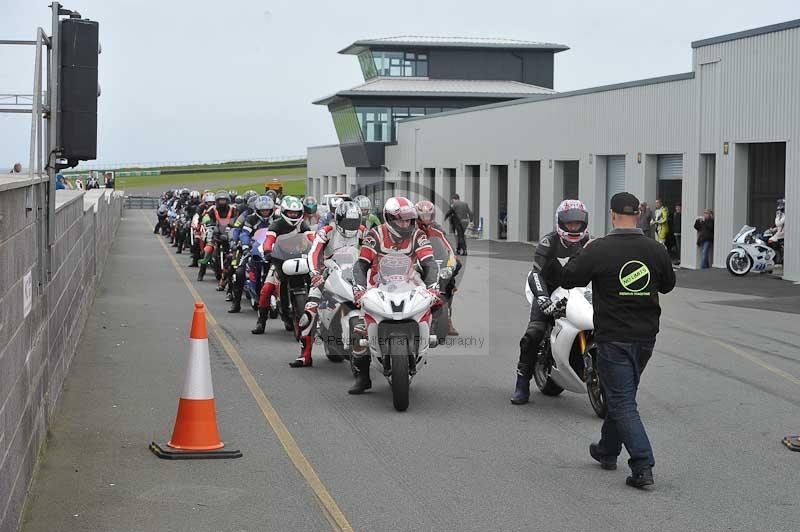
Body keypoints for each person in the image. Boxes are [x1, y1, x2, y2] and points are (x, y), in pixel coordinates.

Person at [561, 192, 675, 489]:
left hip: (614, 337)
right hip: (646, 337)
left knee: (622, 401)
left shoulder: (599, 249)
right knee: (620, 396)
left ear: (612, 215)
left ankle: (642, 464)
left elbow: (570, 278)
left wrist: (581, 251)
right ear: (638, 214)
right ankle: (607, 450)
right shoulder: (655, 249)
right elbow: (668, 285)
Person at [348, 196, 439, 394]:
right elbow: (361, 264)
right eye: (401, 219)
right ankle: (362, 377)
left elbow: (430, 263)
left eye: (409, 219)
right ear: (388, 218)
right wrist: (359, 289)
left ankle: (426, 337)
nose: (406, 224)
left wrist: (433, 286)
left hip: (410, 284)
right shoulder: (375, 235)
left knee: (434, 304)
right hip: (378, 286)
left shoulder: (418, 235)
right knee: (357, 327)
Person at [510, 199, 591, 405]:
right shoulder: (548, 242)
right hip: (548, 288)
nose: (574, 227)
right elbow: (535, 274)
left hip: (579, 290)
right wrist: (543, 298)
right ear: (560, 222)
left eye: (578, 223)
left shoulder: (590, 242)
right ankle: (522, 383)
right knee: (534, 333)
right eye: (570, 223)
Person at [292, 201, 364, 367]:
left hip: (356, 276)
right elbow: (313, 253)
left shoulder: (363, 232)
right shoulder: (326, 231)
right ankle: (305, 355)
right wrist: (315, 273)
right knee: (308, 313)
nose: (351, 225)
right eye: (347, 222)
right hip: (327, 275)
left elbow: (373, 252)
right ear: (338, 219)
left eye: (354, 222)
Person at [251, 196, 311, 334]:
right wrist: (267, 250)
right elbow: (269, 239)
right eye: (290, 213)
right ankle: (261, 322)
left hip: (301, 260)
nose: (293, 215)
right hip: (280, 261)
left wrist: (318, 252)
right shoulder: (276, 225)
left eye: (296, 213)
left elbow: (311, 239)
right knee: (266, 289)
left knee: (317, 284)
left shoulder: (303, 225)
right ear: (284, 212)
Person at [415, 200, 460, 336]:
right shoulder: (411, 229)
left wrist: (452, 259)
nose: (426, 219)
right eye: (423, 216)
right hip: (418, 264)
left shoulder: (438, 229)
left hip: (436, 262)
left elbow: (446, 246)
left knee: (450, 280)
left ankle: (447, 319)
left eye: (428, 216)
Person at [229, 195, 275, 313]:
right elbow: (244, 233)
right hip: (254, 249)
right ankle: (236, 303)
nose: (265, 212)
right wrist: (245, 246)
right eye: (263, 210)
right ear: (257, 210)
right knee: (239, 272)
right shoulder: (250, 219)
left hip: (273, 250)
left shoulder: (276, 219)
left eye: (267, 210)